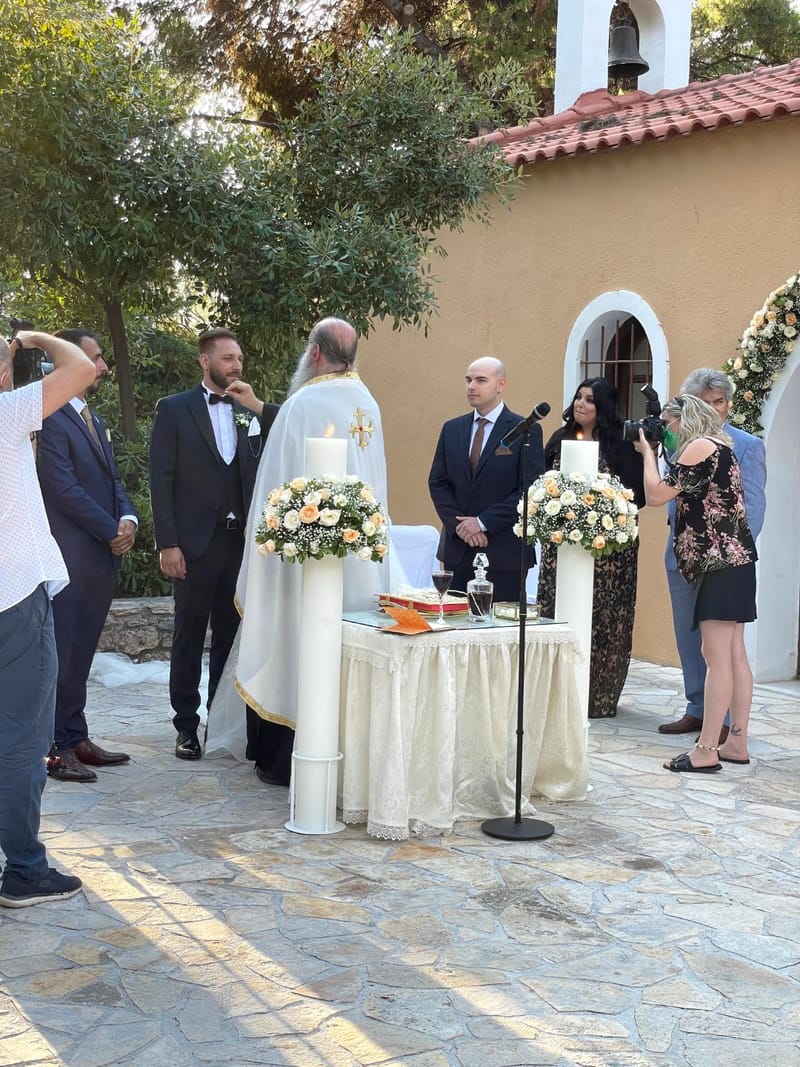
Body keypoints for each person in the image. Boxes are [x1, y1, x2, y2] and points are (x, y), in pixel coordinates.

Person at [205, 317, 403, 785]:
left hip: (303, 558)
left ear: (314, 353)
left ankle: (282, 758)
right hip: (359, 560)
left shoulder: (303, 403)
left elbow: (273, 490)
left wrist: (265, 549)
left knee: (294, 643)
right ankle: (344, 753)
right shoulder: (368, 404)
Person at [149, 328, 279, 761]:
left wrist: (256, 406)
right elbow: (160, 480)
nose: (236, 365)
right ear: (205, 362)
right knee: (188, 635)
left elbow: (284, 433)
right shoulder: (174, 410)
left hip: (239, 545)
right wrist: (168, 543)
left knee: (231, 633)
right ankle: (186, 726)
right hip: (193, 544)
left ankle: (221, 722)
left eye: (238, 358)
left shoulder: (251, 412)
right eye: (227, 359)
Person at [0, 329, 96, 907]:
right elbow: (82, 367)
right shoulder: (7, 412)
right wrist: (33, 337)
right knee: (21, 737)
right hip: (13, 596)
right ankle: (25, 868)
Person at [37, 329, 138, 784]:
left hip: (100, 556)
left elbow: (113, 480)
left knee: (82, 655)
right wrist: (107, 529)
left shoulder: (91, 417)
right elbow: (61, 487)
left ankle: (76, 735)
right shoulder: (51, 416)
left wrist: (129, 519)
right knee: (61, 654)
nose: (101, 367)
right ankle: (54, 749)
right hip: (70, 556)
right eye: (94, 359)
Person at [636, 394, 757, 772]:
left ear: (684, 421)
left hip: (718, 563)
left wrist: (647, 453)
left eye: (668, 425)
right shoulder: (721, 446)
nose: (666, 432)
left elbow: (656, 495)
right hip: (735, 562)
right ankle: (736, 742)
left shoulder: (700, 446)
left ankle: (706, 749)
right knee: (735, 655)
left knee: (716, 658)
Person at [658, 368, 766, 742]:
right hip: (681, 554)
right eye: (706, 402)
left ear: (729, 405)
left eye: (719, 402)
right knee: (692, 643)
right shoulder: (678, 440)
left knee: (723, 651)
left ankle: (721, 727)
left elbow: (752, 506)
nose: (714, 409)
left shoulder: (744, 445)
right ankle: (698, 708)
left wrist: (726, 553)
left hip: (719, 561)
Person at [536, 379, 645, 718]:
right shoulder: (559, 439)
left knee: (604, 617)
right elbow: (542, 486)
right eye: (578, 397)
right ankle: (558, 689)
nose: (581, 404)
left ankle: (597, 692)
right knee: (560, 609)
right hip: (563, 548)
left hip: (611, 551)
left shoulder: (620, 446)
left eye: (590, 400)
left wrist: (603, 510)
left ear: (605, 407)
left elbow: (636, 497)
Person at [428, 357, 544, 601]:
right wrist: (461, 527)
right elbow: (438, 482)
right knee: (454, 628)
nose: (472, 386)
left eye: (481, 380)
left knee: (498, 632)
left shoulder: (524, 430)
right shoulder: (452, 429)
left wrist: (482, 523)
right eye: (469, 380)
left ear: (500, 385)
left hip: (504, 552)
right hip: (457, 551)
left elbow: (530, 490)